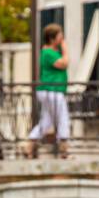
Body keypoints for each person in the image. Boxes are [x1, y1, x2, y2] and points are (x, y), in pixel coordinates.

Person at [28, 24, 70, 157]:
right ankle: (64, 147)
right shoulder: (47, 53)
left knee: (46, 121)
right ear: (52, 38)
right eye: (59, 35)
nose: (62, 37)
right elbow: (64, 63)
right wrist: (65, 49)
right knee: (62, 116)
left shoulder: (49, 52)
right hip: (52, 90)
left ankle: (30, 145)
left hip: (51, 90)